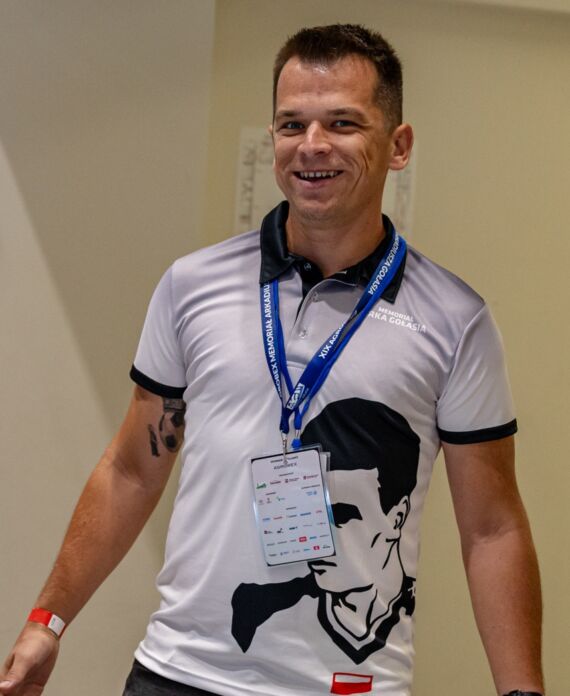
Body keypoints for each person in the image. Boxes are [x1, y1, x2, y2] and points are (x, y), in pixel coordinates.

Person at [0, 23, 544, 696]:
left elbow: (491, 528)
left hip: (348, 683)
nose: (312, 145)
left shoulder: (455, 321)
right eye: (292, 124)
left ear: (398, 145)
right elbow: (132, 470)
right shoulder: (191, 285)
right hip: (180, 671)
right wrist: (48, 620)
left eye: (342, 123)